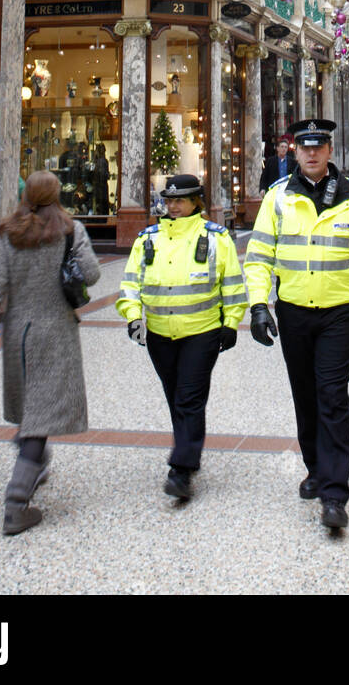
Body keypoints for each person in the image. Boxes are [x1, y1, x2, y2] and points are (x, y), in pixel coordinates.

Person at [245, 119, 349, 530]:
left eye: (319, 147)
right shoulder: (277, 198)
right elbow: (259, 256)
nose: (311, 154)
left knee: (332, 396)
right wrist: (259, 305)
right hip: (294, 313)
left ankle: (335, 493)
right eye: (304, 147)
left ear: (330, 151)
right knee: (305, 396)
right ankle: (314, 467)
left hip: (336, 314)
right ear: (295, 152)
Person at [0, 171, 100, 534]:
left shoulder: (10, 233)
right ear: (57, 195)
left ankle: (35, 461)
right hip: (55, 333)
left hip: (18, 333)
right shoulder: (70, 231)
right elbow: (91, 275)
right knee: (39, 419)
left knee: (33, 407)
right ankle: (16, 500)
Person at [117, 173, 246, 501]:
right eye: (169, 200)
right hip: (160, 334)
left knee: (189, 397)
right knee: (176, 395)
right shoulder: (148, 238)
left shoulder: (216, 238)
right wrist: (133, 317)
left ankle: (181, 468)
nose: (173, 206)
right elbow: (131, 283)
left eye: (180, 200)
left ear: (196, 202)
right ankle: (189, 449)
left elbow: (232, 284)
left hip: (201, 333)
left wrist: (230, 322)